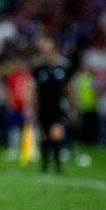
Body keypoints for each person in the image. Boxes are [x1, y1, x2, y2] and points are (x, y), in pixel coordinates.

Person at [32, 36, 73, 174]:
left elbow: (67, 89)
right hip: (43, 107)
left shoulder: (63, 68)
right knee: (44, 135)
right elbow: (35, 90)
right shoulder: (39, 69)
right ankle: (44, 166)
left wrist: (71, 106)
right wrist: (32, 106)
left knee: (56, 135)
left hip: (57, 106)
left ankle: (57, 167)